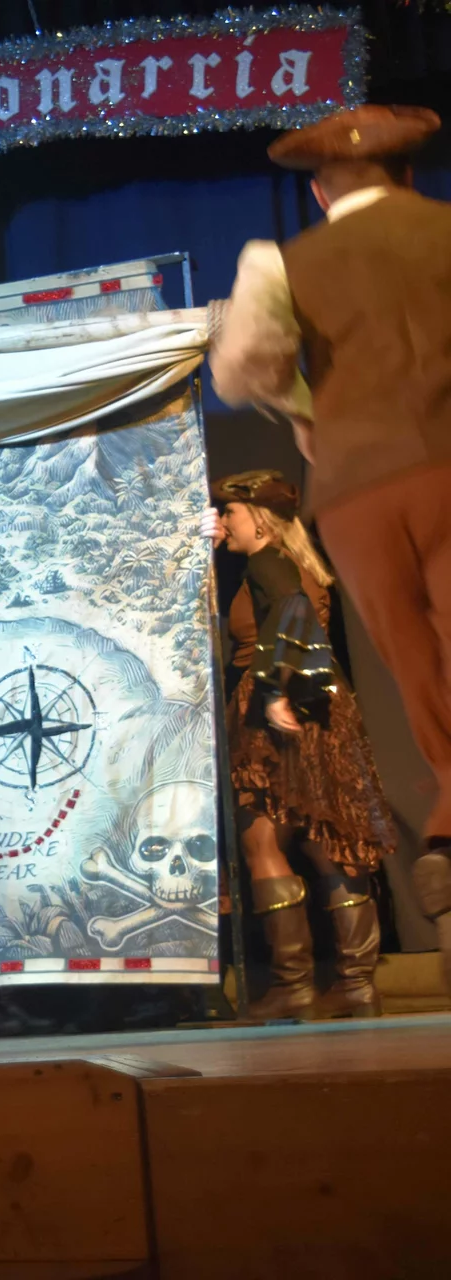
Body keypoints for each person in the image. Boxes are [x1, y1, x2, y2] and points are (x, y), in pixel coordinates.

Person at [207, 103, 451, 988]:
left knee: (420, 672)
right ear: (410, 175)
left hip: (354, 491)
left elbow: (241, 371)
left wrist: (313, 417)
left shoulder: (280, 262)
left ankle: (447, 842)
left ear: (316, 192)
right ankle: (447, 837)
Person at [211, 472, 397, 1018]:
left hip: (278, 703)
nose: (224, 521)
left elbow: (289, 609)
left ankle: (294, 986)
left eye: (231, 513)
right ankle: (357, 985)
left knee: (262, 841)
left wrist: (272, 692)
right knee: (326, 839)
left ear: (261, 522)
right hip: (322, 705)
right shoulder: (297, 561)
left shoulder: (268, 563)